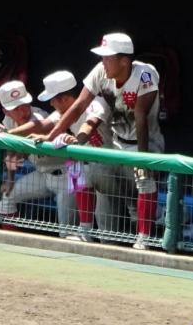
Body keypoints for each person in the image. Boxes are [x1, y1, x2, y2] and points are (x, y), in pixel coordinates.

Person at [42, 32, 164, 249]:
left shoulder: (144, 75)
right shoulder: (100, 75)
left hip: (145, 143)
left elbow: (140, 117)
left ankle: (144, 236)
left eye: (108, 58)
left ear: (124, 60)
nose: (103, 62)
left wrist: (143, 159)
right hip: (111, 152)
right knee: (77, 166)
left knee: (143, 179)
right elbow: (78, 105)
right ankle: (85, 229)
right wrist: (53, 137)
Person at [36, 70, 115, 241]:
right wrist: (8, 131)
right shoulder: (63, 113)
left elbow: (89, 126)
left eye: (53, 98)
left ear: (64, 99)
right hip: (91, 170)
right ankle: (85, 230)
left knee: (108, 234)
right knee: (75, 164)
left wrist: (75, 141)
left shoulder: (96, 103)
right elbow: (42, 125)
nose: (50, 103)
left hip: (111, 170)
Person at [0, 80, 74, 231]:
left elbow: (34, 128)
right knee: (7, 198)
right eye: (16, 108)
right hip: (42, 175)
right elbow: (13, 152)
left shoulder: (39, 115)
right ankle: (11, 245)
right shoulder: (8, 120)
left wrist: (4, 134)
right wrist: (10, 179)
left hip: (68, 176)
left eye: (25, 105)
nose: (23, 111)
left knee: (66, 232)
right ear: (6, 111)